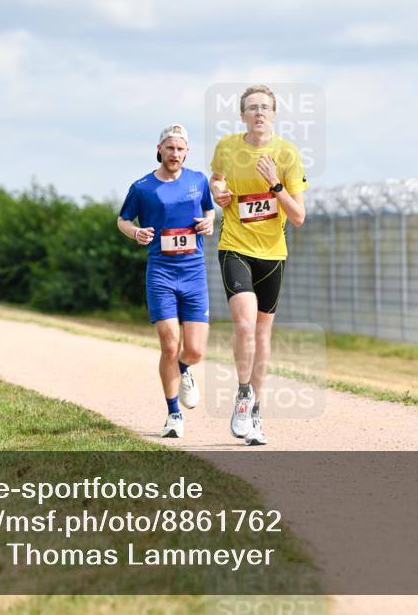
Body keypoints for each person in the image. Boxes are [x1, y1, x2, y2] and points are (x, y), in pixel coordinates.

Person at [210, 85, 307, 446]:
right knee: (245, 325)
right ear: (242, 116)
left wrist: (276, 185)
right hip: (235, 246)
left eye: (265, 107)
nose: (259, 113)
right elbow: (216, 180)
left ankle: (257, 413)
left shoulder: (287, 154)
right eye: (252, 108)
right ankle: (242, 393)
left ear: (274, 114)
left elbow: (298, 216)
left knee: (263, 334)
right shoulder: (227, 148)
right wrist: (217, 191)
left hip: (272, 254)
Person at [117, 124, 215, 439]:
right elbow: (122, 219)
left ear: (187, 152)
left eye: (180, 149)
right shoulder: (142, 187)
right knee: (170, 345)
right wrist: (135, 232)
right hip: (160, 272)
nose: (175, 154)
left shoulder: (198, 181)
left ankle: (185, 370)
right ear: (159, 149)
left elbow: (210, 212)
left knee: (196, 351)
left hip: (193, 272)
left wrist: (209, 223)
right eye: (170, 148)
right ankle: (173, 414)